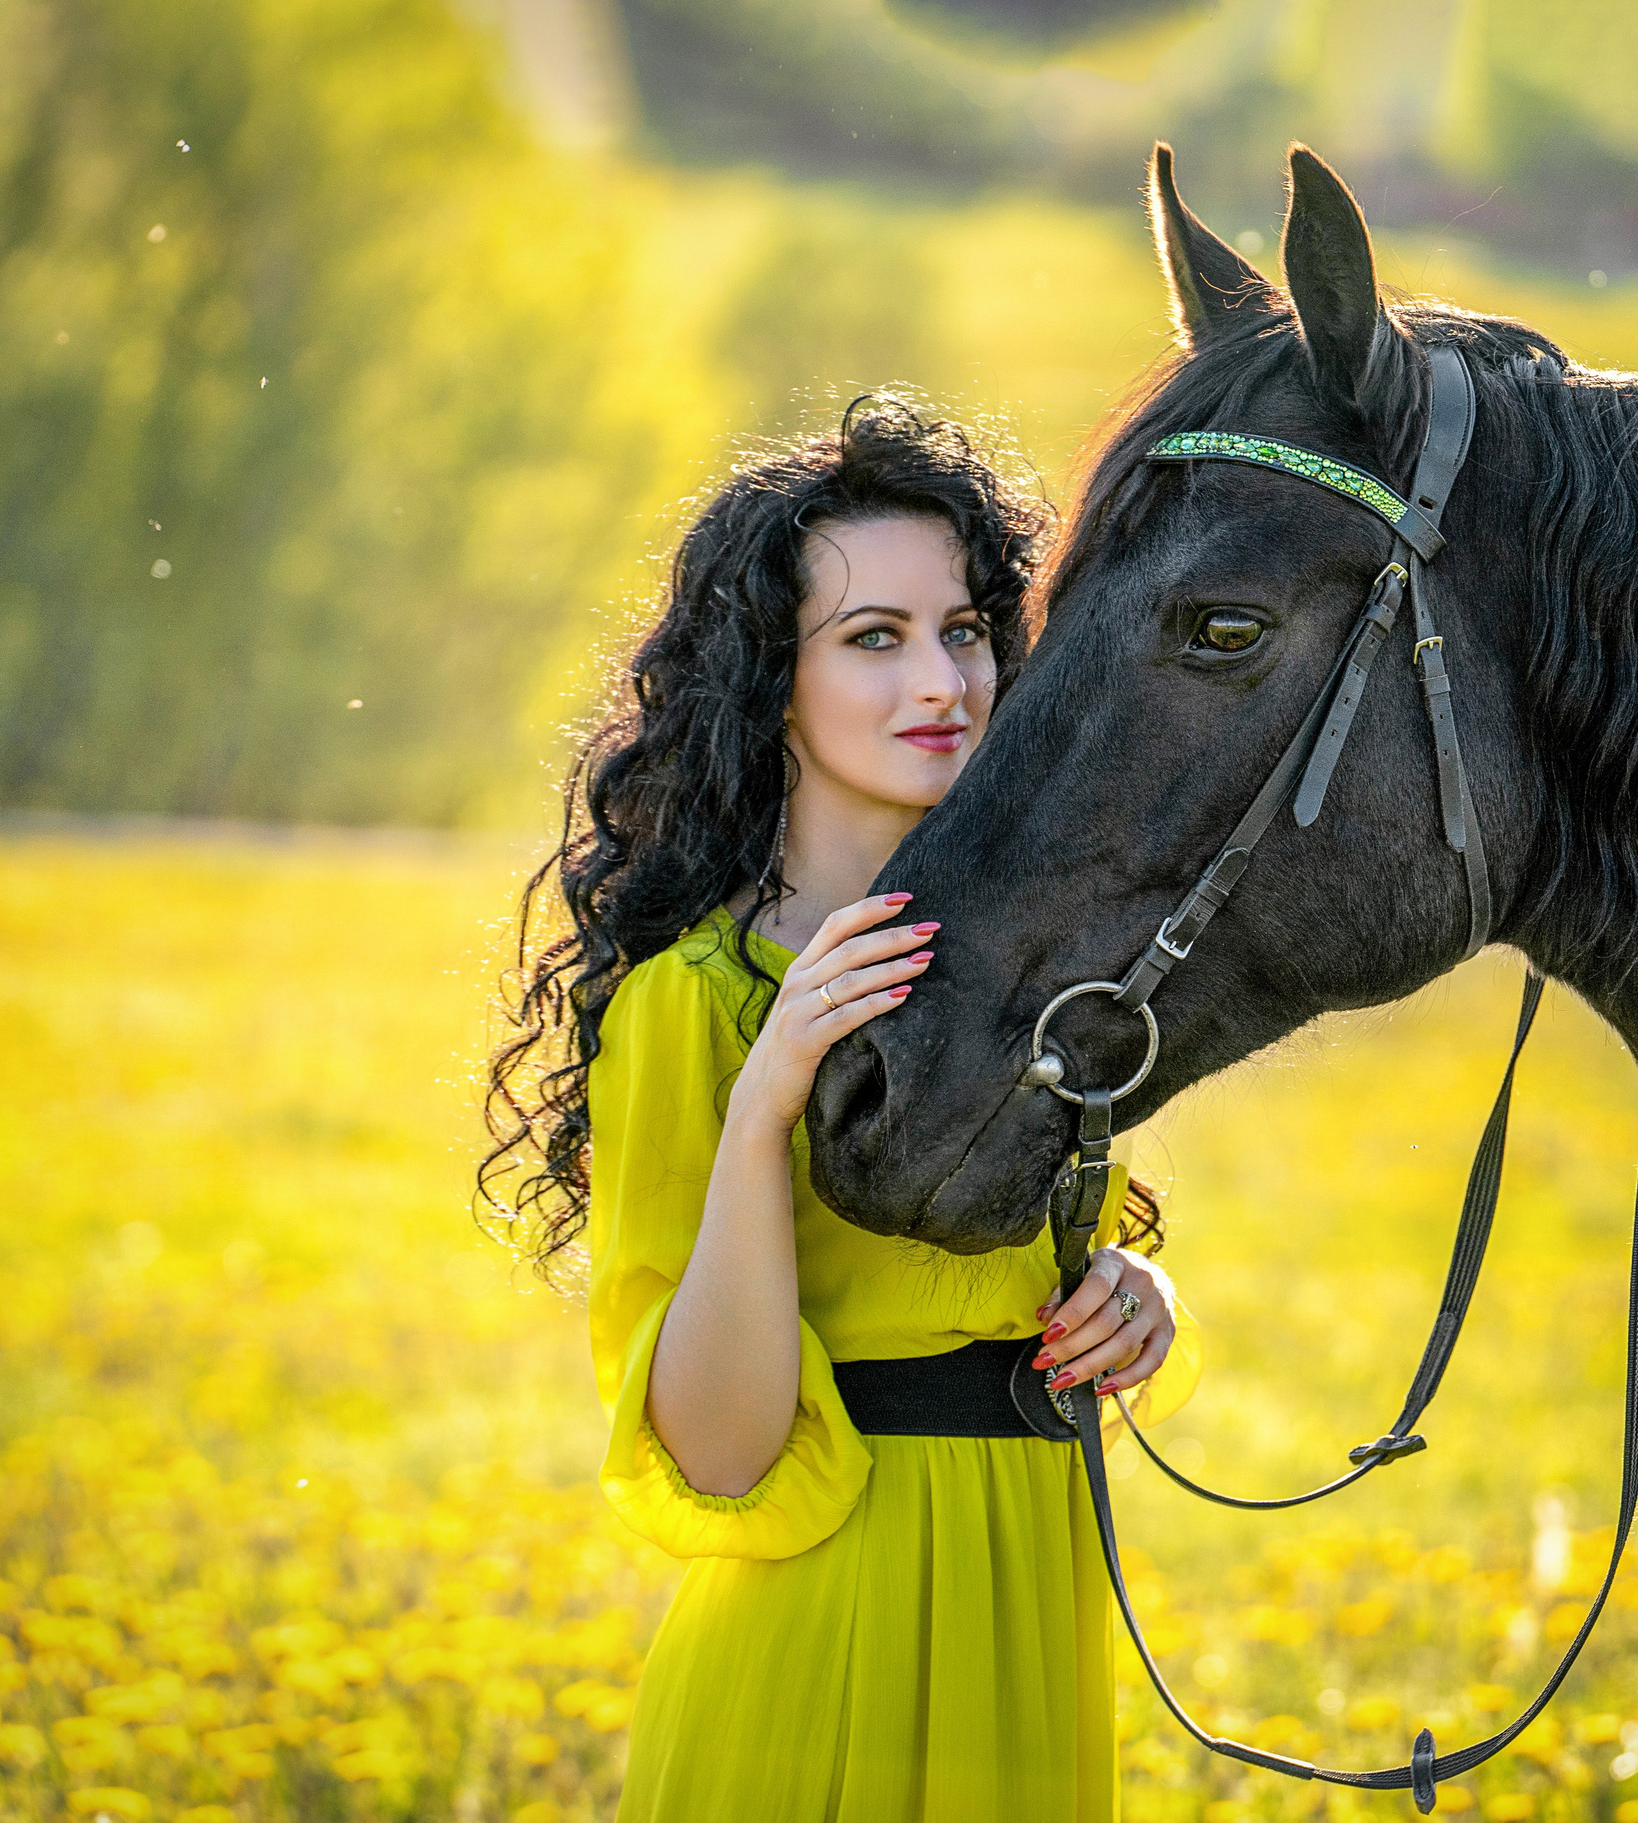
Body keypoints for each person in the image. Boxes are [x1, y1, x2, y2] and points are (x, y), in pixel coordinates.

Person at [482, 395, 1200, 1820]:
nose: (942, 678)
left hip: (1029, 1620)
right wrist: (763, 1109)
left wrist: (1130, 1297)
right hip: (815, 1645)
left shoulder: (1042, 989)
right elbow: (722, 1451)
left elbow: (1008, 1289)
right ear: (772, 683)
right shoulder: (698, 1000)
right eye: (873, 639)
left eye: (964, 629)